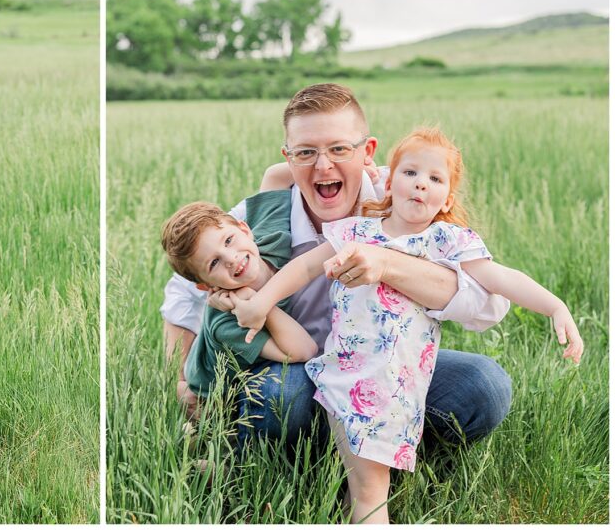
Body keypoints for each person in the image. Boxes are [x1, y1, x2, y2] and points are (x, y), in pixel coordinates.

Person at [231, 126, 584, 523]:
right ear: (388, 180)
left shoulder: (447, 242)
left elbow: (501, 278)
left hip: (400, 387)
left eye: (435, 179)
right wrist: (262, 301)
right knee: (369, 493)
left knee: (365, 489)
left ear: (447, 197)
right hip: (345, 379)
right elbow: (305, 266)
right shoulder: (356, 231)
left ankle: (352, 503)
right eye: (411, 173)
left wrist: (555, 306)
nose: (420, 185)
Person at [160, 83, 514, 447]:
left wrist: (388, 264)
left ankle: (382, 446)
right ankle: (310, 458)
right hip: (298, 368)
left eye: (339, 149)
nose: (323, 165)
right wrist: (183, 381)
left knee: (484, 385)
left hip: (384, 367)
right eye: (306, 152)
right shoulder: (261, 218)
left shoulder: (403, 200)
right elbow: (184, 289)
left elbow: (490, 306)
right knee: (280, 397)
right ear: (289, 157)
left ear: (367, 152)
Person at [160, 197, 318, 401]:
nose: (231, 258)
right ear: (205, 286)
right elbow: (305, 350)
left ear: (244, 229)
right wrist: (258, 302)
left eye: (228, 241)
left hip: (256, 359)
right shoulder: (227, 324)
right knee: (290, 385)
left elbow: (276, 175)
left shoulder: (273, 241)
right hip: (216, 395)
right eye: (214, 262)